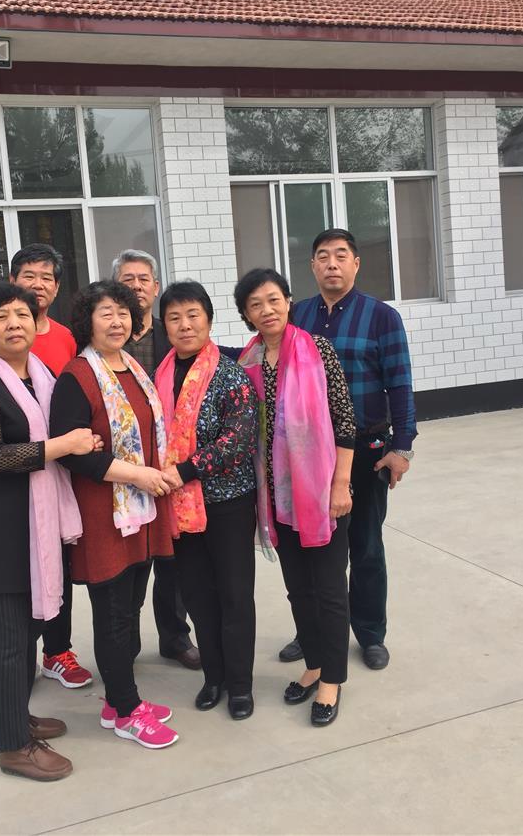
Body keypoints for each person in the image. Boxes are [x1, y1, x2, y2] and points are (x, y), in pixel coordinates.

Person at [0, 283, 102, 780]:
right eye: (1, 316)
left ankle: (16, 716)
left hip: (33, 526)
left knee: (26, 631)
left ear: (36, 323)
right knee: (5, 640)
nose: (14, 323)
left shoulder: (43, 375)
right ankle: (13, 748)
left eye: (22, 315)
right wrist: (63, 445)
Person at [0, 244, 91, 690]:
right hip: (4, 496)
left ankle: (56, 652)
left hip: (53, 486)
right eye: (29, 275)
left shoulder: (63, 338)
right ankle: (18, 681)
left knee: (55, 570)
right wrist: (59, 444)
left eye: (47, 277)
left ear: (56, 288)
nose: (38, 284)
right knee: (12, 608)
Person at [49, 280, 179, 750]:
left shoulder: (134, 370)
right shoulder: (78, 376)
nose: (117, 321)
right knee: (114, 616)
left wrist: (152, 474)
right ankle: (127, 711)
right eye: (106, 313)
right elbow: (72, 453)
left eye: (123, 313)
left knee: (130, 608)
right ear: (87, 321)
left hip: (140, 511)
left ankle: (116, 703)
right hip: (104, 514)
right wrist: (137, 474)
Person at [280, 229, 417, 671]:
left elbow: (400, 383)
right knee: (312, 547)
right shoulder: (297, 315)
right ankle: (312, 632)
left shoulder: (381, 317)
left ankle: (370, 633)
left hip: (366, 448)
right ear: (312, 266)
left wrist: (402, 448)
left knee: (366, 545)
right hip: (307, 455)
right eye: (323, 256)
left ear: (356, 264)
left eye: (341, 256)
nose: (332, 264)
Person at [235, 268, 355, 726]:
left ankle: (332, 680)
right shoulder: (248, 360)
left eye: (273, 299)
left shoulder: (316, 349)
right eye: (255, 304)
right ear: (246, 314)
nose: (266, 310)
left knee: (329, 590)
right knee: (299, 590)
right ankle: (315, 664)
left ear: (288, 300)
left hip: (320, 492)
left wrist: (340, 484)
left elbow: (344, 419)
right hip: (277, 500)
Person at [154, 281, 259, 721]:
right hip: (179, 508)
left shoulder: (230, 374)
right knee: (198, 596)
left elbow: (239, 438)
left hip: (228, 504)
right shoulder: (158, 376)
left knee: (234, 595)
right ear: (164, 326)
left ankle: (240, 685)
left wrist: (185, 470)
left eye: (193, 315)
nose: (185, 325)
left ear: (209, 320)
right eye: (174, 317)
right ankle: (213, 677)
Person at [113, 249, 201, 672]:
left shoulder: (172, 334)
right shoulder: (106, 338)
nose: (136, 286)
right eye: (127, 279)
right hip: (122, 466)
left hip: (171, 464)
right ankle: (124, 646)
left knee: (172, 561)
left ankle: (174, 638)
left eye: (143, 279)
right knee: (129, 563)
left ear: (155, 286)